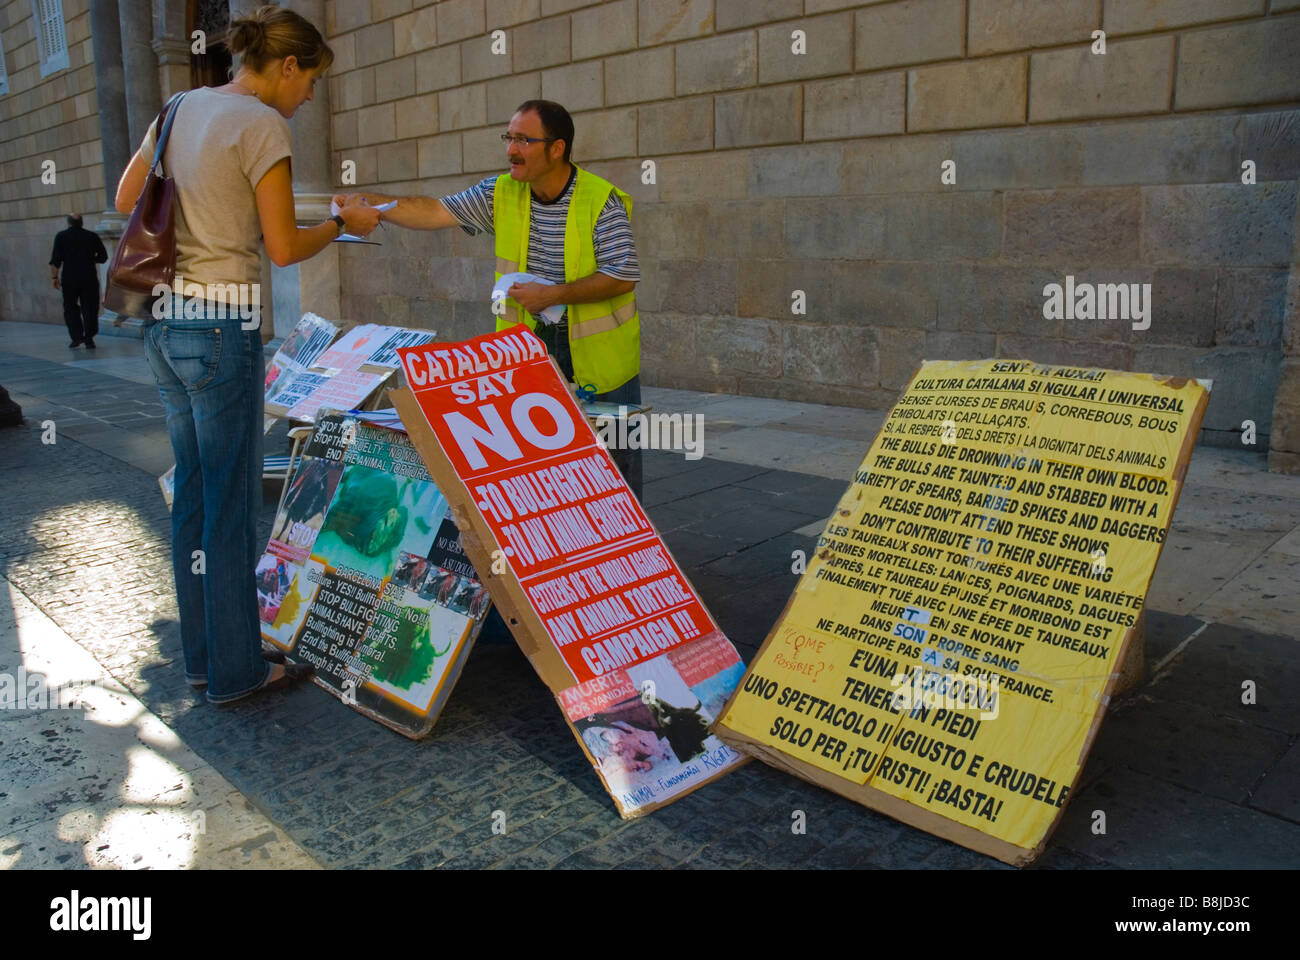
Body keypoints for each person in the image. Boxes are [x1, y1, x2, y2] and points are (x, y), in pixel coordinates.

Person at [114, 5, 379, 705]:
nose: (310, 97)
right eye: (311, 81)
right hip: (221, 328)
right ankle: (236, 672)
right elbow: (284, 247)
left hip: (163, 326)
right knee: (230, 509)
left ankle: (206, 658)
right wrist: (340, 223)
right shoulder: (264, 124)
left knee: (195, 501)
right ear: (287, 66)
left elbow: (123, 196)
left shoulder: (178, 106)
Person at [337, 99, 644, 498]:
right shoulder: (501, 192)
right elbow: (434, 212)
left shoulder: (601, 200)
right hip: (529, 354)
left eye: (524, 140)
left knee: (611, 468)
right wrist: (369, 203)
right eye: (509, 137)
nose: (511, 149)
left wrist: (552, 295)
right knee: (543, 465)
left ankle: (626, 558)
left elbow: (622, 276)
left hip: (602, 363)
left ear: (557, 148)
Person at [49, 213, 108, 348]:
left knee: (70, 308)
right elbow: (103, 257)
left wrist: (54, 277)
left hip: (69, 278)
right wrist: (90, 259)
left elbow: (55, 260)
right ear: (81, 223)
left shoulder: (61, 236)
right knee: (90, 308)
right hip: (89, 277)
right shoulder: (92, 236)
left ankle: (76, 337)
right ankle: (89, 338)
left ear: (69, 223)